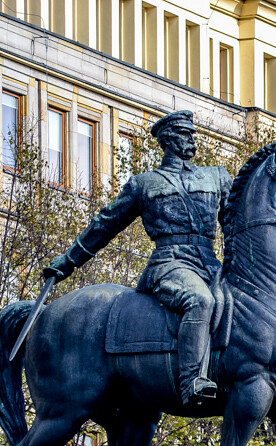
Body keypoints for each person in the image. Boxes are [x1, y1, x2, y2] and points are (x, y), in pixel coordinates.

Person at [43, 110, 231, 408]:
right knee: (200, 301)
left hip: (210, 263)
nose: (192, 139)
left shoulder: (216, 177)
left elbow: (234, 222)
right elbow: (106, 224)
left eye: (192, 134)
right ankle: (192, 380)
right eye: (185, 134)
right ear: (168, 140)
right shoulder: (144, 184)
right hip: (171, 265)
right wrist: (68, 262)